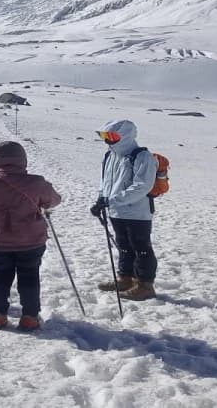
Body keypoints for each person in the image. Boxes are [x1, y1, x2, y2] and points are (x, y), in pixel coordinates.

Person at [0, 141, 62, 331]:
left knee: (0, 277)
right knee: (29, 277)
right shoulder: (36, 182)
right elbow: (54, 200)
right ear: (22, 159)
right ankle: (30, 318)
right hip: (30, 241)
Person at [90, 119, 159, 301]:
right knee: (124, 246)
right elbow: (105, 182)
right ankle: (126, 279)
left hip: (137, 212)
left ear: (126, 136)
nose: (108, 140)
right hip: (116, 211)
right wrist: (101, 199)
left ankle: (145, 285)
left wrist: (112, 200)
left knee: (141, 248)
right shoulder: (109, 156)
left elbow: (142, 186)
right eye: (104, 136)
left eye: (111, 136)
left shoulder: (142, 156)